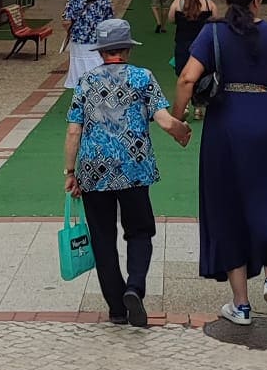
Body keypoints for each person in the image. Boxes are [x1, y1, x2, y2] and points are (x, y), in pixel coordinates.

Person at [175, 0, 267, 324]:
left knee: (227, 206)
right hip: (266, 120)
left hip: (225, 123)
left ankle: (241, 304)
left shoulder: (213, 32)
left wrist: (178, 119)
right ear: (258, 0)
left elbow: (188, 77)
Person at [64, 16, 191, 326]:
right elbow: (163, 120)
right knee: (140, 232)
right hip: (134, 168)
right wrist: (181, 130)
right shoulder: (142, 77)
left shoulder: (87, 82)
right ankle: (135, 286)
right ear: (127, 49)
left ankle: (117, 308)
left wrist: (70, 170)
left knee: (103, 238)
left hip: (94, 170)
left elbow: (73, 131)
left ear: (101, 51)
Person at [62, 0, 114, 85]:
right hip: (99, 40)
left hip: (78, 40)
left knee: (79, 69)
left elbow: (66, 21)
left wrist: (71, 31)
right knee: (98, 65)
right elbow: (110, 21)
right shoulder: (104, 0)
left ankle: (81, 93)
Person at [168, 0, 217, 88]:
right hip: (203, 45)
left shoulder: (178, 2)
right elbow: (215, 20)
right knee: (201, 75)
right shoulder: (208, 2)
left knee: (183, 76)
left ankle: (184, 104)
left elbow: (171, 19)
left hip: (183, 44)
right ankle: (199, 103)